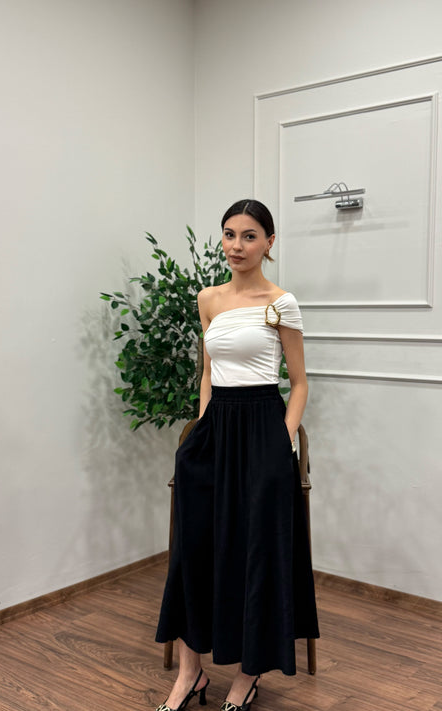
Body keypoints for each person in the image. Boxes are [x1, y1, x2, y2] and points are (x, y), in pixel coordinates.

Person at [155, 199, 319, 711]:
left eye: (249, 236)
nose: (237, 245)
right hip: (216, 430)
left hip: (263, 428)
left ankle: (248, 675)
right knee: (193, 549)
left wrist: (281, 442)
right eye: (229, 234)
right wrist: (203, 428)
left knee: (256, 551)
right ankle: (190, 674)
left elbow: (299, 383)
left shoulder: (281, 302)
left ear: (269, 243)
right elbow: (208, 373)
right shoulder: (208, 298)